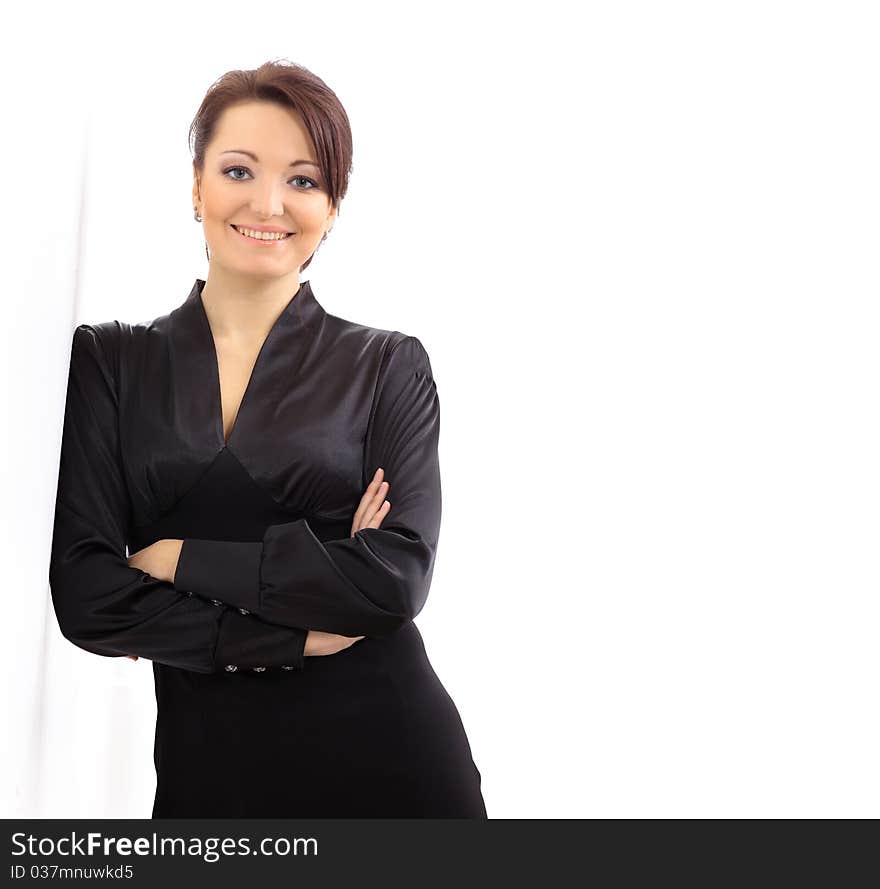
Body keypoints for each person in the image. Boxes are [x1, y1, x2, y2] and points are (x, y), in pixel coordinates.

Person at [49, 59, 487, 818]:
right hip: (209, 775)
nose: (268, 202)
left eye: (304, 180)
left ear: (334, 204)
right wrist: (298, 628)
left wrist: (173, 559)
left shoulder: (387, 365)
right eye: (238, 169)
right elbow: (87, 596)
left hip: (393, 759)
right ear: (196, 186)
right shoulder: (112, 360)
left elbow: (394, 583)